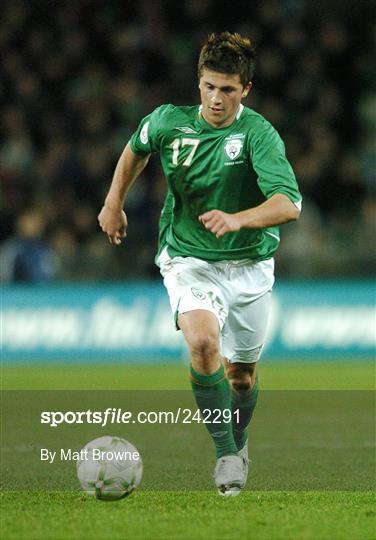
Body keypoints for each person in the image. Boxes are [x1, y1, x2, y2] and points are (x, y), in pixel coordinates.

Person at [98, 32, 302, 496]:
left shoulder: (258, 135)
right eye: (209, 86)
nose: (216, 99)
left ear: (245, 90)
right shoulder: (169, 122)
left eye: (228, 90)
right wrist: (114, 202)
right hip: (188, 256)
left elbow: (288, 205)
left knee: (241, 378)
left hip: (250, 265)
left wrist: (237, 219)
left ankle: (238, 440)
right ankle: (226, 455)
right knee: (204, 342)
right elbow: (136, 148)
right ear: (199, 83)